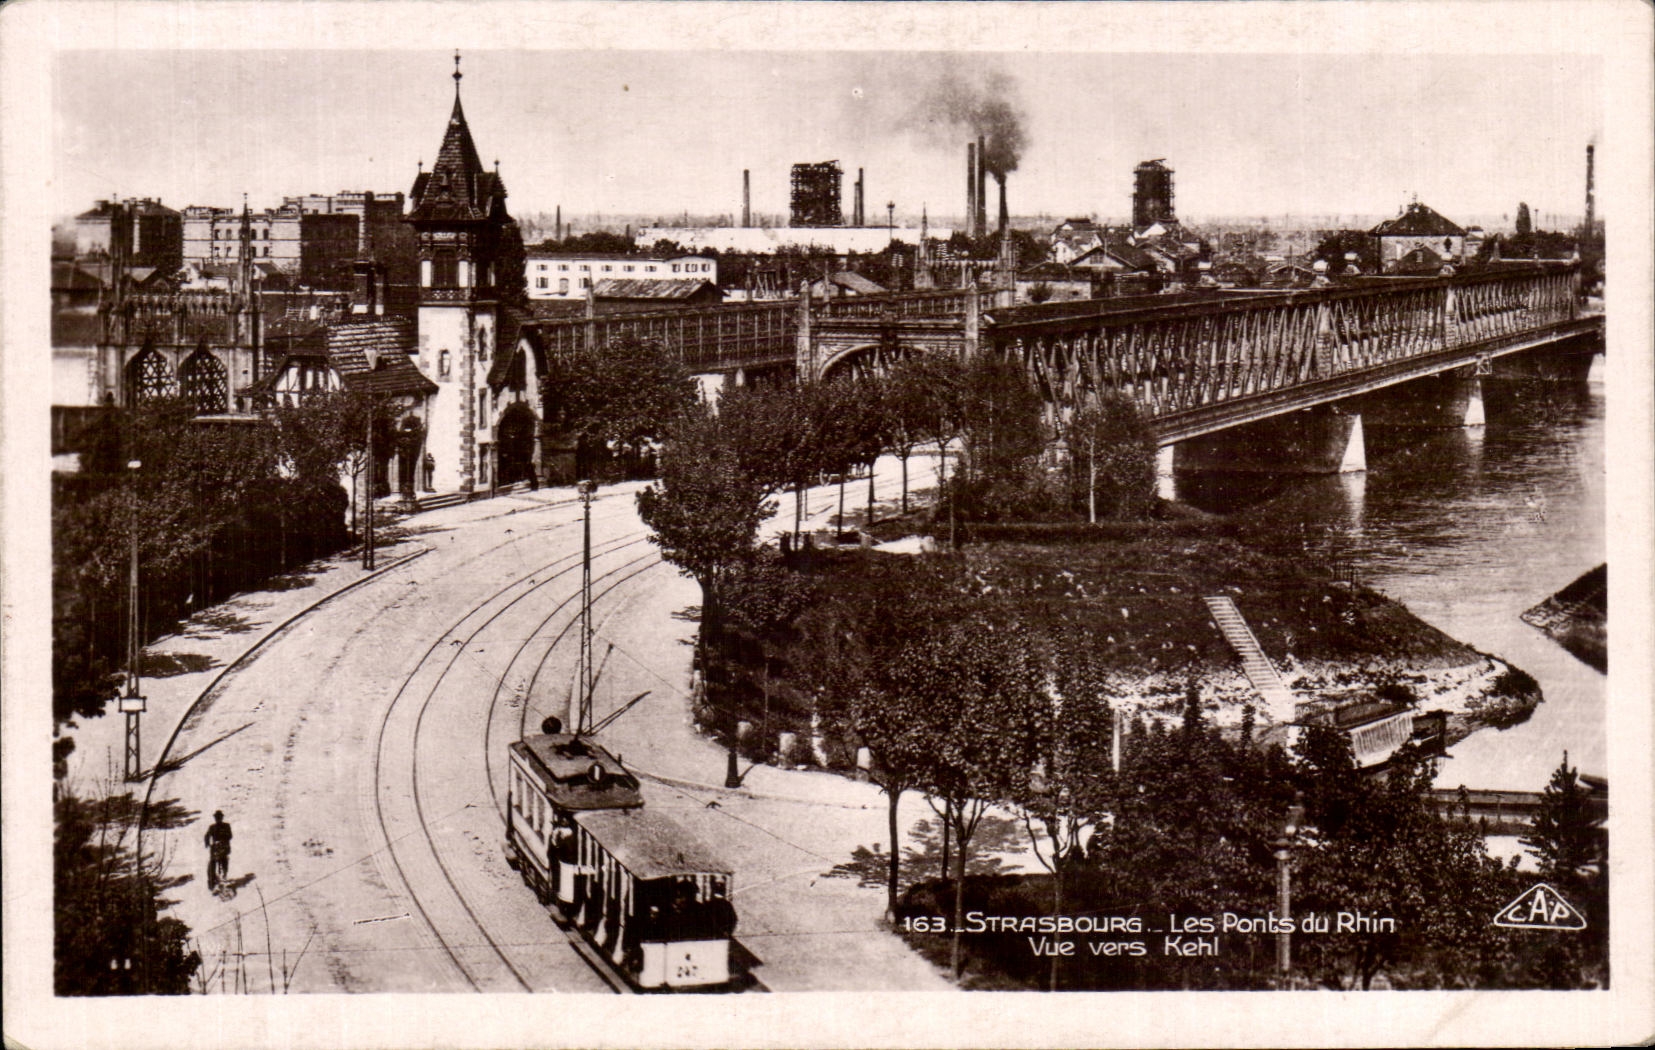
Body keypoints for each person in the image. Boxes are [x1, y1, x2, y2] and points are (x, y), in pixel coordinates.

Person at [204, 810, 232, 891]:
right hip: (215, 848)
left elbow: (230, 836)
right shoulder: (212, 827)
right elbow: (207, 835)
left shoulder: (226, 826)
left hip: (224, 847)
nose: (218, 819)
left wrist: (223, 840)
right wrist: (207, 843)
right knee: (212, 863)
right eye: (216, 818)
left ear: (222, 818)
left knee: (224, 861)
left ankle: (224, 877)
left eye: (219, 818)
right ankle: (212, 882)